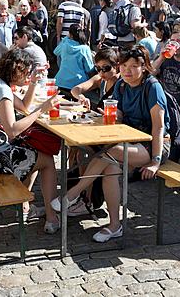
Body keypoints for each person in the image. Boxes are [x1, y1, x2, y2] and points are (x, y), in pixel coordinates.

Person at [54, 45, 169, 243]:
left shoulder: (152, 87)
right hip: (129, 140)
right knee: (109, 167)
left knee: (113, 151)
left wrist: (155, 162)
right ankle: (115, 225)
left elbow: (158, 128)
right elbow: (120, 116)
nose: (127, 70)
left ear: (145, 67)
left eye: (134, 66)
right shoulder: (122, 86)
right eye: (124, 65)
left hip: (155, 145)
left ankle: (73, 193)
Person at [0, 49, 60, 232]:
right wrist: (41, 109)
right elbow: (12, 130)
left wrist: (33, 83)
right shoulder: (2, 90)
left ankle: (24, 205)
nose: (27, 75)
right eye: (25, 71)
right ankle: (51, 217)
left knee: (32, 151)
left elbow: (24, 106)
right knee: (47, 161)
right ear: (16, 70)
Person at [151, 29, 180, 106]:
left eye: (179, 41)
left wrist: (178, 112)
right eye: (172, 40)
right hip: (161, 104)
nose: (174, 43)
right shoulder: (164, 60)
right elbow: (149, 75)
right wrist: (161, 58)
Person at [53, 24, 94, 91]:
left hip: (61, 81)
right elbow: (89, 68)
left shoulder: (65, 44)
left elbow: (55, 52)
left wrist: (65, 38)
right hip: (78, 83)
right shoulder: (84, 48)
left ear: (70, 34)